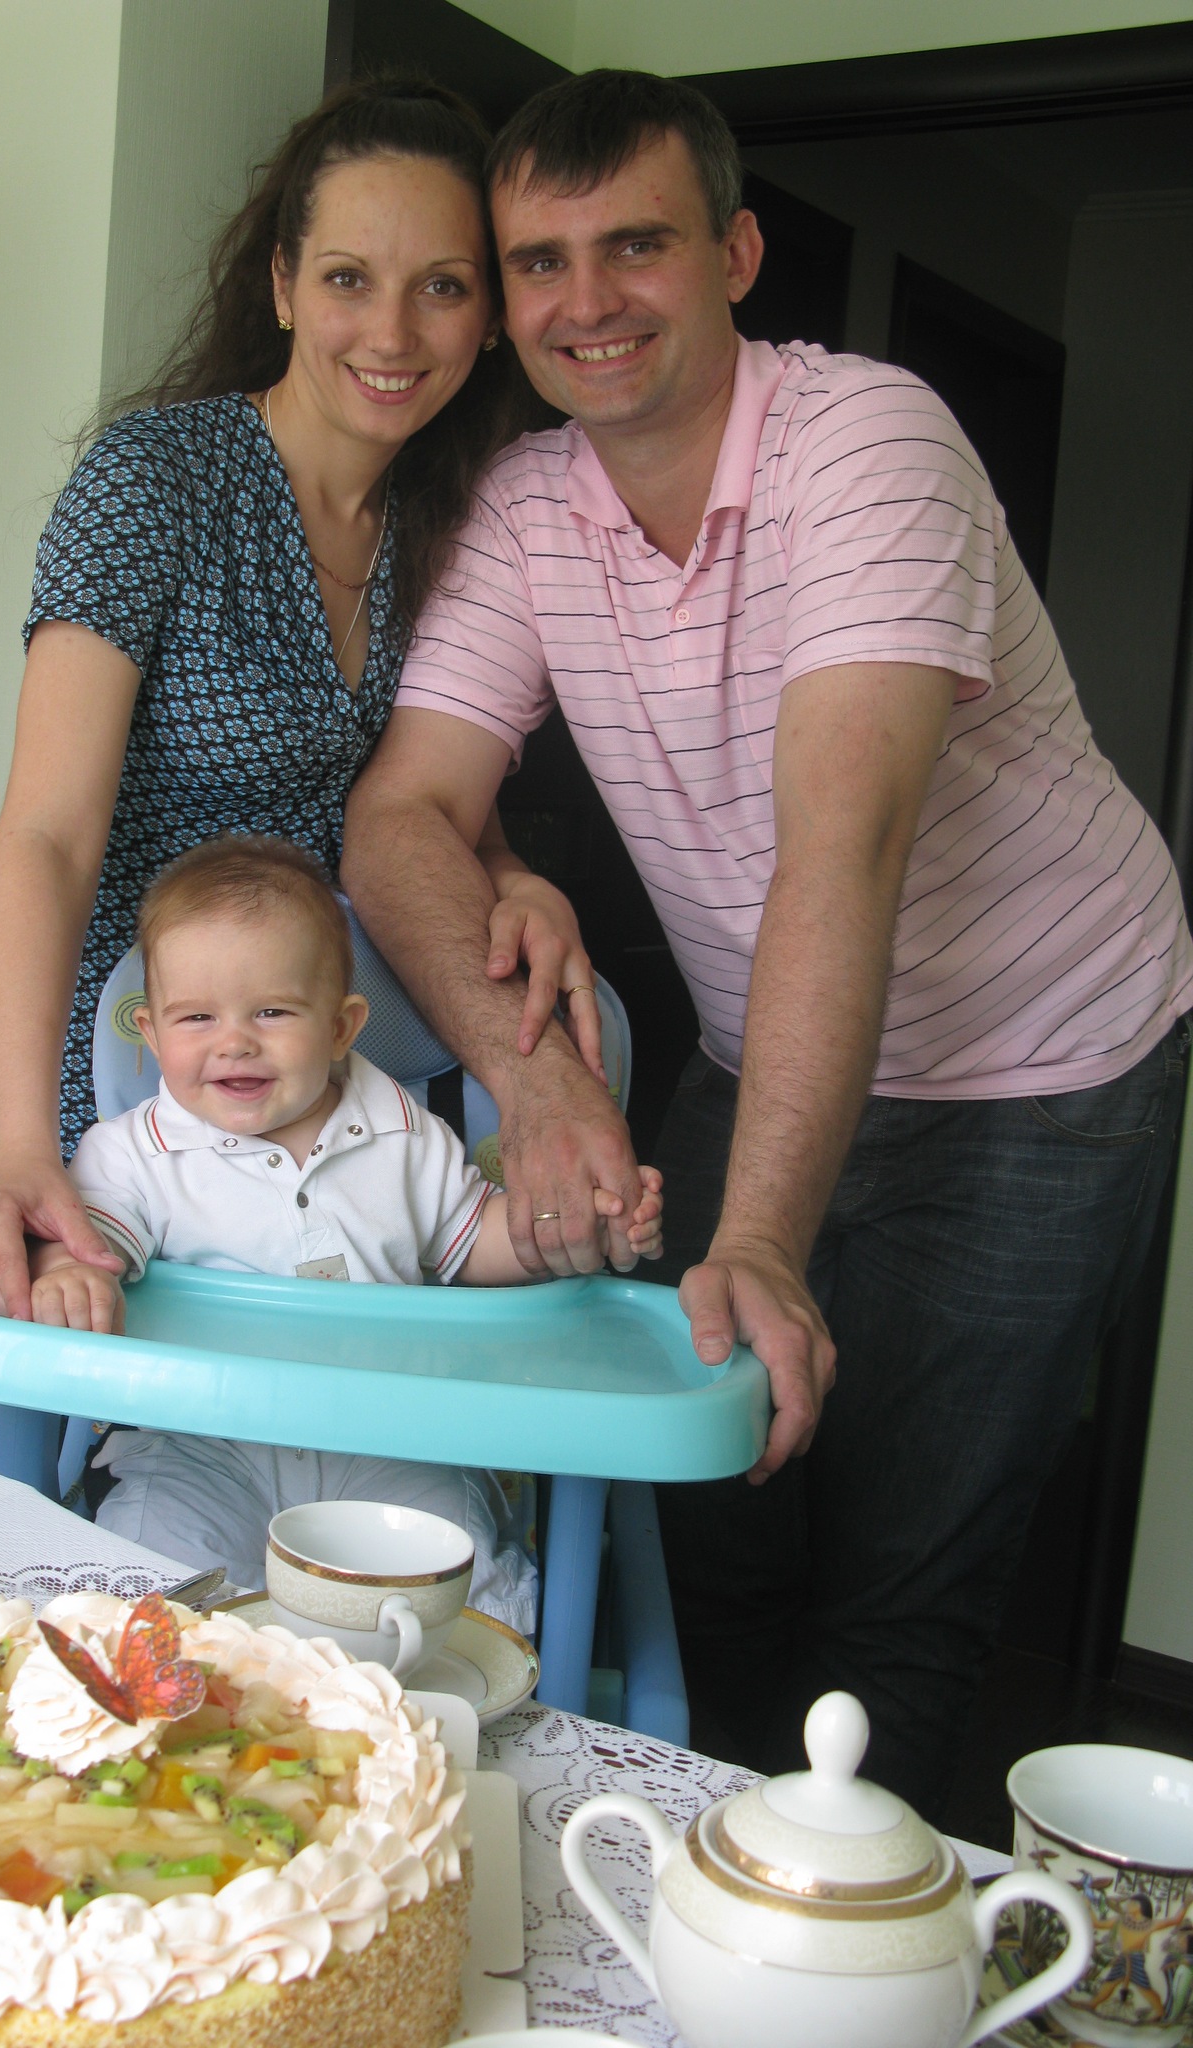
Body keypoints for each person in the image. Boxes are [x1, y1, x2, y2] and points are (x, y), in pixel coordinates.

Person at [340, 68, 1193, 1810]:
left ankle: (827, 1931)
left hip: (1045, 1065)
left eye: (636, 246)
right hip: (770, 1038)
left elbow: (840, 850)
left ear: (733, 254)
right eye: (540, 261)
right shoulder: (527, 503)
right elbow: (401, 813)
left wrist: (767, 1244)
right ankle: (679, 1888)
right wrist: (538, 1081)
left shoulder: (866, 441)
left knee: (903, 1585)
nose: (586, 300)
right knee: (696, 1515)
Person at [0, 76, 607, 1466]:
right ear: (281, 283)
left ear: (489, 315)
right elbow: (46, 836)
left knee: (282, 1493)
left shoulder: (457, 523)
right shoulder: (155, 482)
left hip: (324, 1098)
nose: (393, 332)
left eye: (443, 286)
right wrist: (24, 1142)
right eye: (348, 277)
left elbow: (424, 794)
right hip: (127, 1079)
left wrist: (512, 874)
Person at [27, 834, 663, 1623]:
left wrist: (570, 1227)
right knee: (146, 1591)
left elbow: (474, 1242)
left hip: (390, 1441)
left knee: (459, 1604)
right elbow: (86, 1240)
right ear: (151, 1037)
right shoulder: (133, 1155)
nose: (234, 1040)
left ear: (340, 1027)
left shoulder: (404, 1134)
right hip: (200, 1446)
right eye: (196, 1017)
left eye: (271, 1011)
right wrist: (70, 1271)